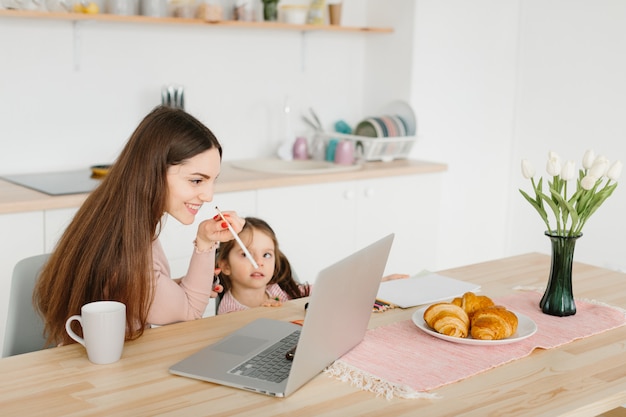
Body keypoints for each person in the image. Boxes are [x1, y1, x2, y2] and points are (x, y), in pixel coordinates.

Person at [34, 106, 244, 346]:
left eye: (212, 181)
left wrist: (175, 287)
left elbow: (134, 290)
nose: (208, 196)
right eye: (196, 180)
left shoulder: (117, 215)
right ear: (154, 171)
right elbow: (189, 311)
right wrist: (205, 243)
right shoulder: (128, 245)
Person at [216, 217, 408, 315]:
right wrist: (265, 314)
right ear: (225, 265)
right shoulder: (228, 311)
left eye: (267, 254)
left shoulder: (281, 290)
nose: (258, 262)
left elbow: (331, 288)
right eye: (246, 254)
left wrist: (380, 282)